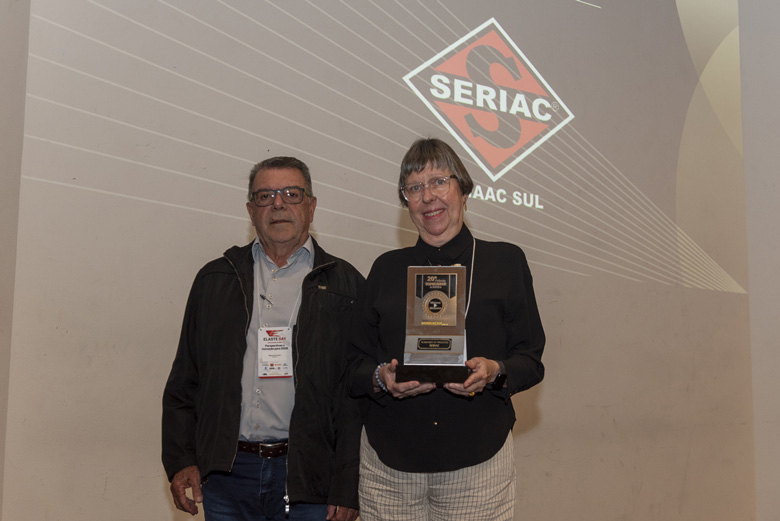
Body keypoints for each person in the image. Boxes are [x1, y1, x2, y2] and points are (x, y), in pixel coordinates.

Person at [348, 138, 546, 521]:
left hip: (477, 464)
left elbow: (530, 360)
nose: (428, 197)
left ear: (464, 190)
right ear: (406, 203)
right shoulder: (386, 269)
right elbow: (353, 363)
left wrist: (495, 371)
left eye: (439, 181)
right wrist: (380, 377)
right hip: (389, 468)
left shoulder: (505, 262)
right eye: (414, 188)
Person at [162, 156, 364, 521]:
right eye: (265, 196)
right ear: (251, 211)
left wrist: (348, 482)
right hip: (227, 477)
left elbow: (356, 401)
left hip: (311, 476)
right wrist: (181, 460)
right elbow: (185, 381)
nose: (278, 204)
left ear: (311, 206)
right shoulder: (215, 280)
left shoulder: (346, 285)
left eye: (292, 194)